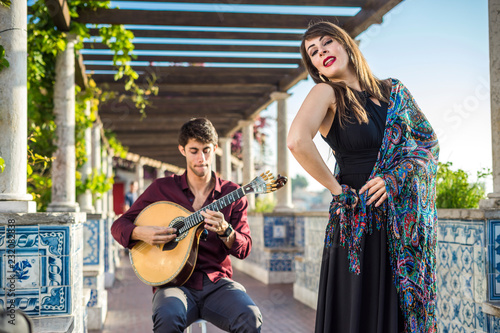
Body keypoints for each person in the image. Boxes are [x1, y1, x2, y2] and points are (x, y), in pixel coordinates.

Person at [287, 22, 439, 333]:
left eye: (327, 43)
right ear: (314, 66)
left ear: (346, 44)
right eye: (313, 53)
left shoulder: (394, 91)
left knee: (397, 313)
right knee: (360, 312)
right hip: (358, 219)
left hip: (402, 224)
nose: (322, 52)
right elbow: (297, 140)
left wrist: (394, 179)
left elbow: (429, 143)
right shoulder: (327, 92)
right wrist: (338, 191)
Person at [111, 118, 262, 333]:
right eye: (194, 151)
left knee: (249, 316)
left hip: (217, 283)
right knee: (168, 316)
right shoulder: (162, 189)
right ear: (182, 150)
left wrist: (225, 230)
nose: (201, 158)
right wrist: (140, 233)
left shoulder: (232, 194)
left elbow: (245, 247)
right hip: (172, 285)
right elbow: (119, 225)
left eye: (206, 150)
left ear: (215, 149)